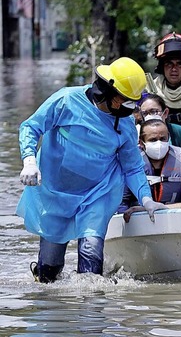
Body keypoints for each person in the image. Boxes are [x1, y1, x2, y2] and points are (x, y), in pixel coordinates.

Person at [17, 57, 166, 283]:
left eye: (131, 102)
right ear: (107, 91)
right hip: (55, 191)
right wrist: (29, 160)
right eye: (123, 100)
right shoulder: (66, 101)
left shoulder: (124, 123)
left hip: (97, 192)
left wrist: (146, 199)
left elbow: (133, 167)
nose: (128, 108)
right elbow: (31, 127)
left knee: (91, 257)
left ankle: (92, 312)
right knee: (49, 272)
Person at [118, 119, 181, 213]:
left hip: (173, 218)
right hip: (139, 220)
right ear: (141, 143)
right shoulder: (131, 167)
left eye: (163, 139)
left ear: (169, 139)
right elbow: (121, 202)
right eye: (153, 140)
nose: (159, 143)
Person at [137, 93, 181, 167]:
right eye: (145, 113)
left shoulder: (179, 132)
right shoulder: (135, 135)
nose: (149, 116)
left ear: (165, 113)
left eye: (154, 111)